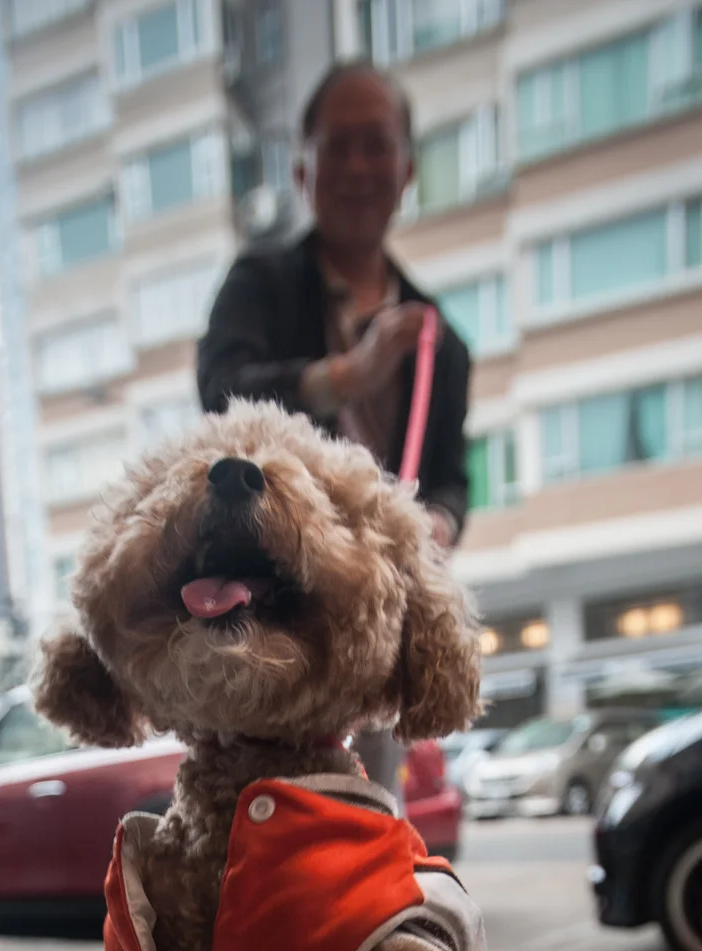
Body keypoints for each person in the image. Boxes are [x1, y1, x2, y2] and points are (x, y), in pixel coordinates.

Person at [198, 62, 472, 794]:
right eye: (338, 146)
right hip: (264, 598)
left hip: (374, 607)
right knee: (248, 790)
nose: (356, 166)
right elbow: (220, 392)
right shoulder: (258, 284)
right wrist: (345, 375)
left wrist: (438, 523)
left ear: (406, 168)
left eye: (374, 145)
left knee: (368, 801)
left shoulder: (441, 343)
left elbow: (449, 475)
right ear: (301, 170)